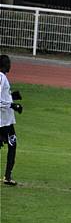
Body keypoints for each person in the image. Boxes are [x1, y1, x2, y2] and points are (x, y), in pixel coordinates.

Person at [0, 54, 24, 186]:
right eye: (8, 63)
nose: (10, 65)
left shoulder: (3, 78)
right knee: (12, 146)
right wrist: (12, 105)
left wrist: (12, 96)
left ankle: (8, 176)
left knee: (11, 145)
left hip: (5, 121)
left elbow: (3, 97)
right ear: (4, 64)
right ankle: (8, 177)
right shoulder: (1, 77)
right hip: (4, 122)